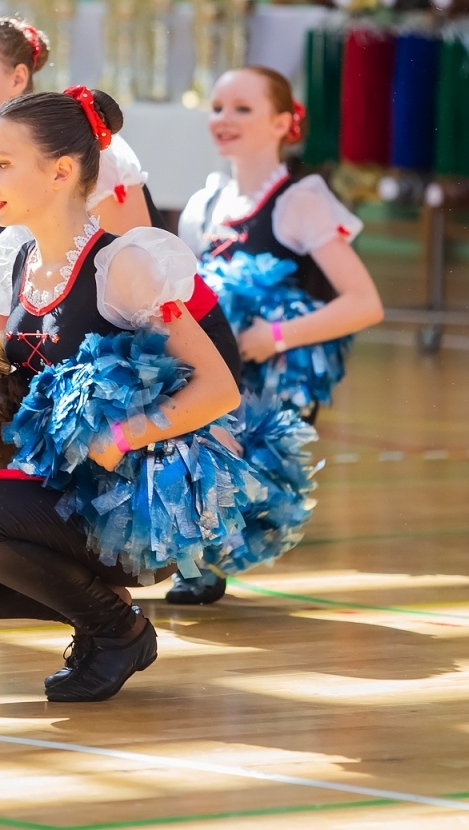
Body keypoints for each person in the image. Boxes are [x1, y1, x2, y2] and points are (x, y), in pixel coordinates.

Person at [0, 88, 242, 702]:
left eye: (2, 163)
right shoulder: (17, 260)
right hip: (56, 497)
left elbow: (220, 388)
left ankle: (114, 632)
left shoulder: (123, 266)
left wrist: (123, 434)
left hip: (128, 508)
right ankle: (102, 612)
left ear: (61, 172)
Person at [171, 66, 384, 604]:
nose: (225, 119)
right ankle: (190, 555)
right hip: (217, 366)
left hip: (276, 380)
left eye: (243, 108)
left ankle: (206, 558)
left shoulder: (301, 200)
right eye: (218, 107)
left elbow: (365, 304)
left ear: (284, 123)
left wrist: (275, 336)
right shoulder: (205, 204)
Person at [0, 13, 242, 372]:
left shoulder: (91, 158)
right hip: (74, 379)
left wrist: (111, 425)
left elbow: (139, 301)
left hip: (167, 363)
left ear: (18, 76)